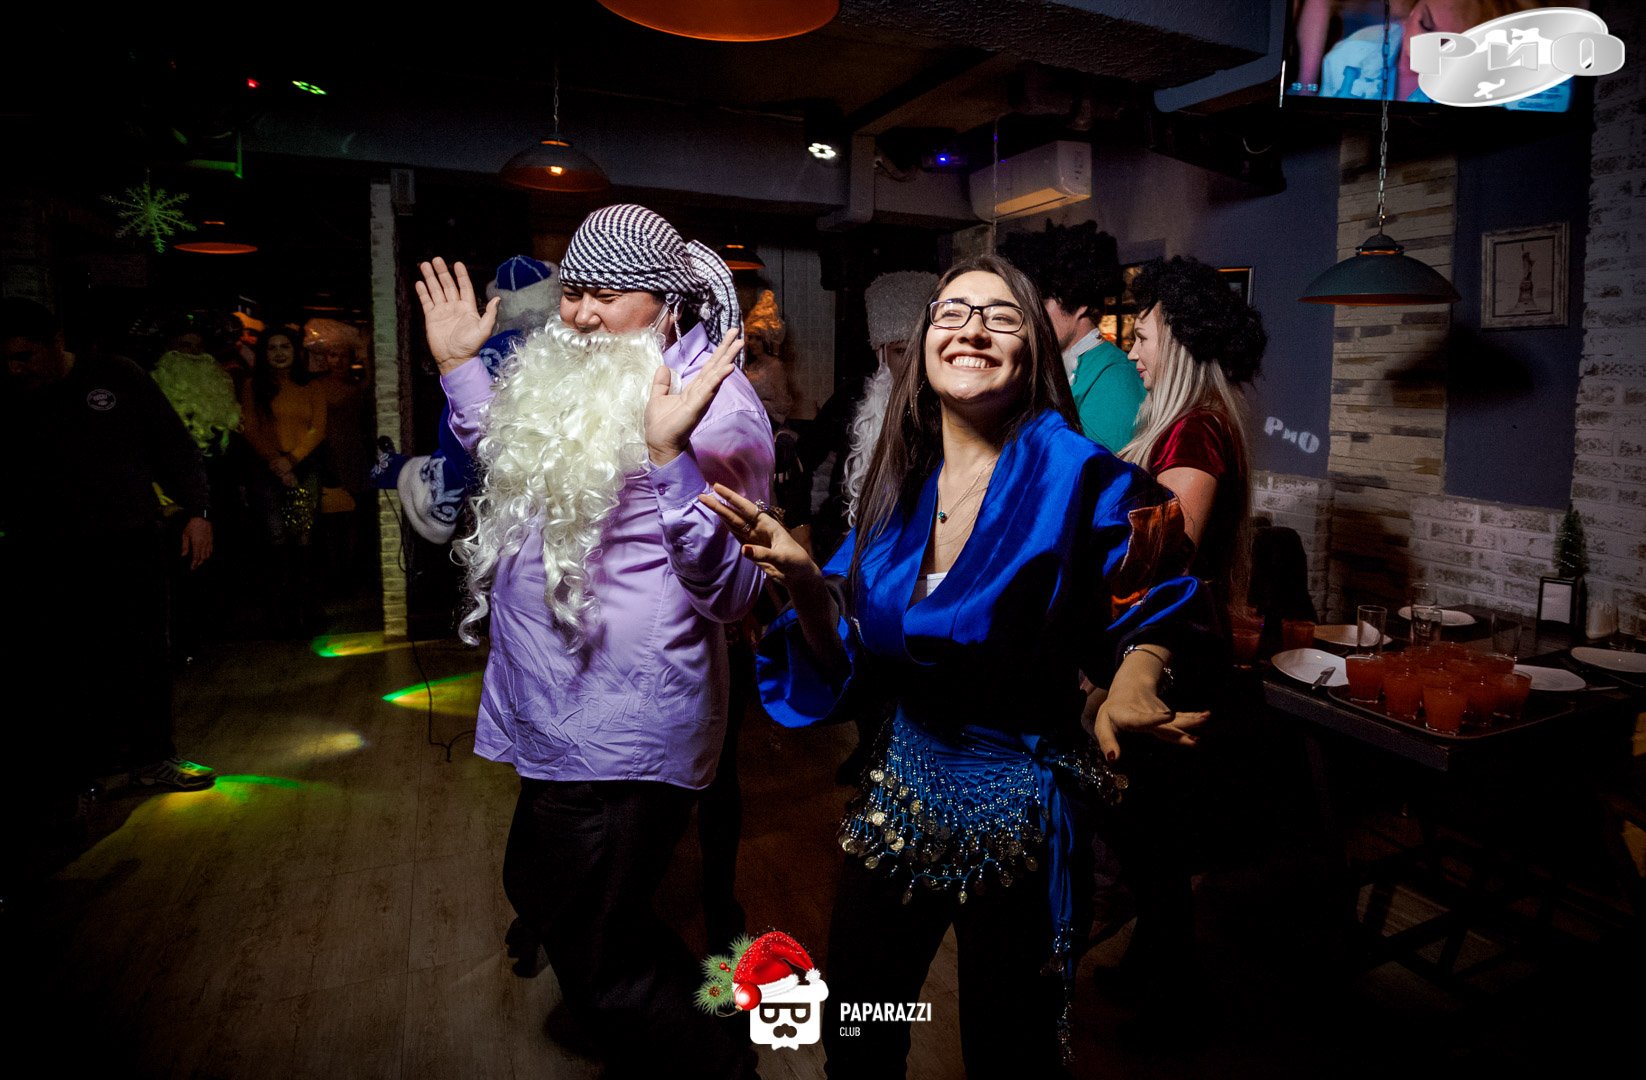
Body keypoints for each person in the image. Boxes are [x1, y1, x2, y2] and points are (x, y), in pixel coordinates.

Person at [700, 255, 1212, 1077]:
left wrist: (1136, 674)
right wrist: (804, 583)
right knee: (862, 1029)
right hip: (900, 795)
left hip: (1021, 815)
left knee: (1011, 1051)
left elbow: (1163, 581)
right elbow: (848, 663)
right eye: (952, 312)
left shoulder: (1075, 473)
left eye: (1001, 316)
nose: (972, 328)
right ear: (925, 343)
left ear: (1033, 351)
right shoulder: (900, 486)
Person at [414, 203, 772, 1079]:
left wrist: (669, 461)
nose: (579, 315)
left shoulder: (717, 410)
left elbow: (735, 592)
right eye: (574, 291)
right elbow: (520, 453)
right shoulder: (587, 369)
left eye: (607, 296)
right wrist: (460, 367)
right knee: (546, 890)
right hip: (554, 707)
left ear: (667, 303)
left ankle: (713, 1058)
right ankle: (690, 1022)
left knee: (600, 956)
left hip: (624, 727)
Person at [1099, 254, 1265, 1025]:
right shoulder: (1183, 428)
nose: (1132, 348)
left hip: (1174, 657)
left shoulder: (1194, 431)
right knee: (1147, 834)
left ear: (1180, 342)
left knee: (1153, 836)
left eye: (1144, 335)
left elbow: (1164, 557)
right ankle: (1153, 971)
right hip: (1167, 651)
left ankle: (1172, 1003)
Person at [1, 297, 217, 794]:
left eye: (24, 356)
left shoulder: (116, 375)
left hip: (127, 540)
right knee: (63, 662)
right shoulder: (11, 397)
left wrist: (198, 511)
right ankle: (78, 774)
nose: (16, 369)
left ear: (56, 342)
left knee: (143, 651)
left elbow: (172, 446)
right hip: (45, 550)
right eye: (6, 360)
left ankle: (152, 758)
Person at [1000, 221, 1144, 453]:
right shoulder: (1047, 366)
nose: (1031, 314)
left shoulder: (1114, 378)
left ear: (1079, 302)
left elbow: (1103, 471)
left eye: (1042, 302)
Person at [241, 325, 328, 632]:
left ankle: (308, 610)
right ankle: (280, 614)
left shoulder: (312, 386)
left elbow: (318, 428)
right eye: (272, 348)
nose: (279, 353)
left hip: (303, 466)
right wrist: (277, 463)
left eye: (285, 347)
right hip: (267, 469)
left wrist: (291, 461)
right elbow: (250, 427)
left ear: (295, 352)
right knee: (275, 536)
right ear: (264, 354)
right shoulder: (253, 386)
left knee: (304, 536)